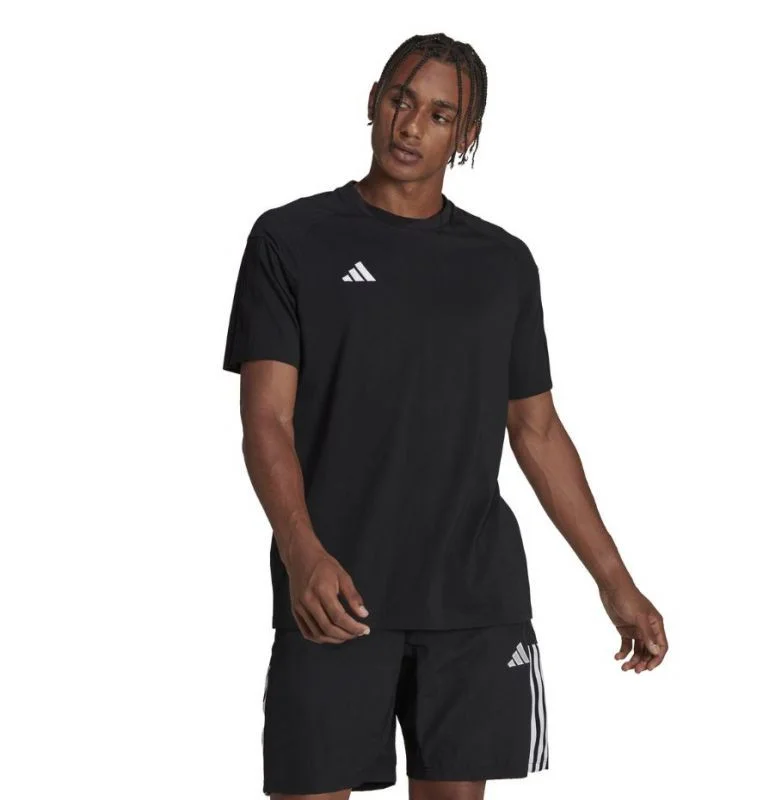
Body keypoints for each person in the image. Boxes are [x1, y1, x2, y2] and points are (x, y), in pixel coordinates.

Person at [222, 31, 668, 800]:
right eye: (401, 100)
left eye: (438, 114)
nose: (410, 126)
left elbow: (537, 431)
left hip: (472, 600)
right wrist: (301, 553)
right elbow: (267, 421)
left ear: (466, 134)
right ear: (374, 101)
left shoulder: (502, 264)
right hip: (334, 593)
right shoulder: (291, 240)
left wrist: (614, 580)